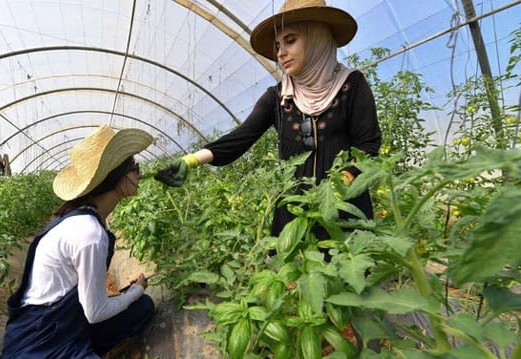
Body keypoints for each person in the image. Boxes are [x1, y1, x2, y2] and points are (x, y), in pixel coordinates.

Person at [155, 0, 381, 240]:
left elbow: (368, 146)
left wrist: (337, 187)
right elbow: (241, 137)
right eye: (277, 45)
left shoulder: (351, 86)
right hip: (295, 217)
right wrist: (190, 160)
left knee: (345, 270)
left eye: (290, 40)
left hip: (344, 212)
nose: (280, 53)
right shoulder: (278, 97)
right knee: (294, 273)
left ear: (317, 37)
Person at [0, 125, 155, 359]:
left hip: (66, 325)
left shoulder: (84, 217)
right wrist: (134, 290)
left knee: (142, 309)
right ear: (116, 177)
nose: (140, 174)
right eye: (134, 166)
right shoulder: (88, 233)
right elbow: (95, 312)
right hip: (42, 351)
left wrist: (134, 297)